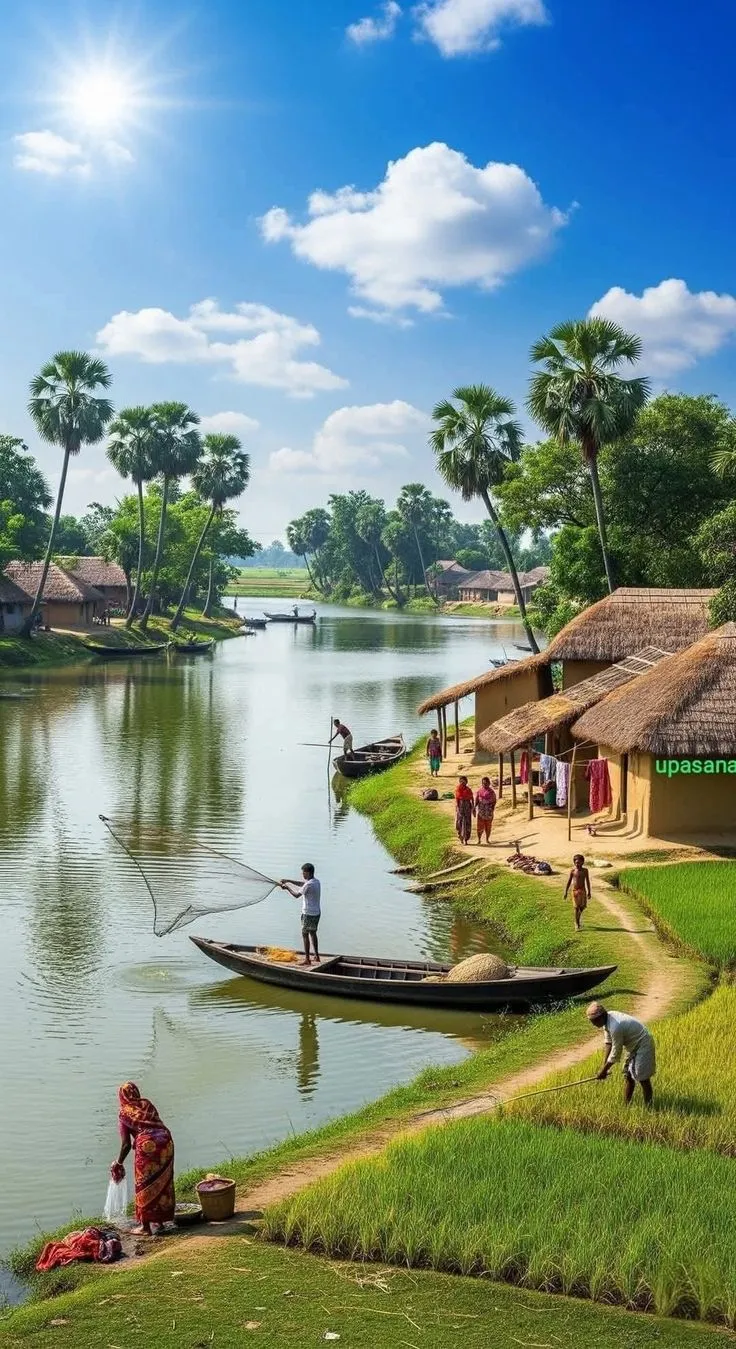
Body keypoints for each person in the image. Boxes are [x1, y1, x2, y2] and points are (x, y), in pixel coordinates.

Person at [111, 1083, 175, 1236]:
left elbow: (126, 1144)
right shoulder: (147, 1104)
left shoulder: (124, 1112)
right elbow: (156, 1125)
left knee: (144, 1184)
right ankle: (159, 1222)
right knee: (163, 1181)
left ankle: (145, 1227)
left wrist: (118, 1163)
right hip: (166, 1142)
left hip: (148, 1146)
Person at [586, 1002, 656, 1107]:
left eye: (594, 1021)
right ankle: (626, 1106)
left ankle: (649, 1107)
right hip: (632, 1046)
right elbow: (609, 1043)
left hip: (643, 1043)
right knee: (628, 1075)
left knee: (643, 1078)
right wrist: (604, 1066)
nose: (593, 1024)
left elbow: (616, 1052)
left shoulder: (615, 1026)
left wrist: (603, 1071)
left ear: (601, 1017)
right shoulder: (607, 1021)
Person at [280, 863, 322, 966]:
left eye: (303, 872)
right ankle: (316, 956)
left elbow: (296, 895)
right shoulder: (316, 882)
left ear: (307, 873)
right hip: (316, 913)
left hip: (308, 913)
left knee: (305, 934)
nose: (302, 874)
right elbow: (302, 884)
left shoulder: (308, 885)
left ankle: (307, 959)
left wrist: (287, 888)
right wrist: (289, 881)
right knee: (313, 933)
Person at [564, 853, 591, 930]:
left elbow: (587, 881)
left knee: (582, 907)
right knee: (576, 907)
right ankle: (577, 924)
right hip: (575, 891)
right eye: (575, 862)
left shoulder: (585, 871)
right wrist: (565, 892)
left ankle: (577, 920)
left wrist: (589, 892)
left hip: (582, 891)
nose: (577, 864)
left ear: (582, 862)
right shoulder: (573, 871)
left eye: (578, 862)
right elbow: (569, 882)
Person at [475, 776, 497, 844]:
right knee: (479, 826)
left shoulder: (491, 792)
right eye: (483, 783)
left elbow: (494, 801)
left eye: (486, 783)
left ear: (489, 783)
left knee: (488, 826)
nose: (485, 784)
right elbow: (477, 800)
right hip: (481, 812)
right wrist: (474, 807)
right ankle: (479, 839)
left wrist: (491, 809)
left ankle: (487, 839)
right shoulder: (479, 791)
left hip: (489, 812)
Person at [455, 775, 475, 845]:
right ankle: (460, 837)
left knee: (467, 823)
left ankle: (466, 839)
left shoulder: (468, 790)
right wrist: (457, 807)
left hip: (467, 807)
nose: (462, 783)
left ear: (466, 782)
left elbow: (472, 798)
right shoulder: (458, 789)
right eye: (461, 781)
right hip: (460, 807)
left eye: (463, 781)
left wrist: (473, 808)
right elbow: (457, 799)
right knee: (459, 823)